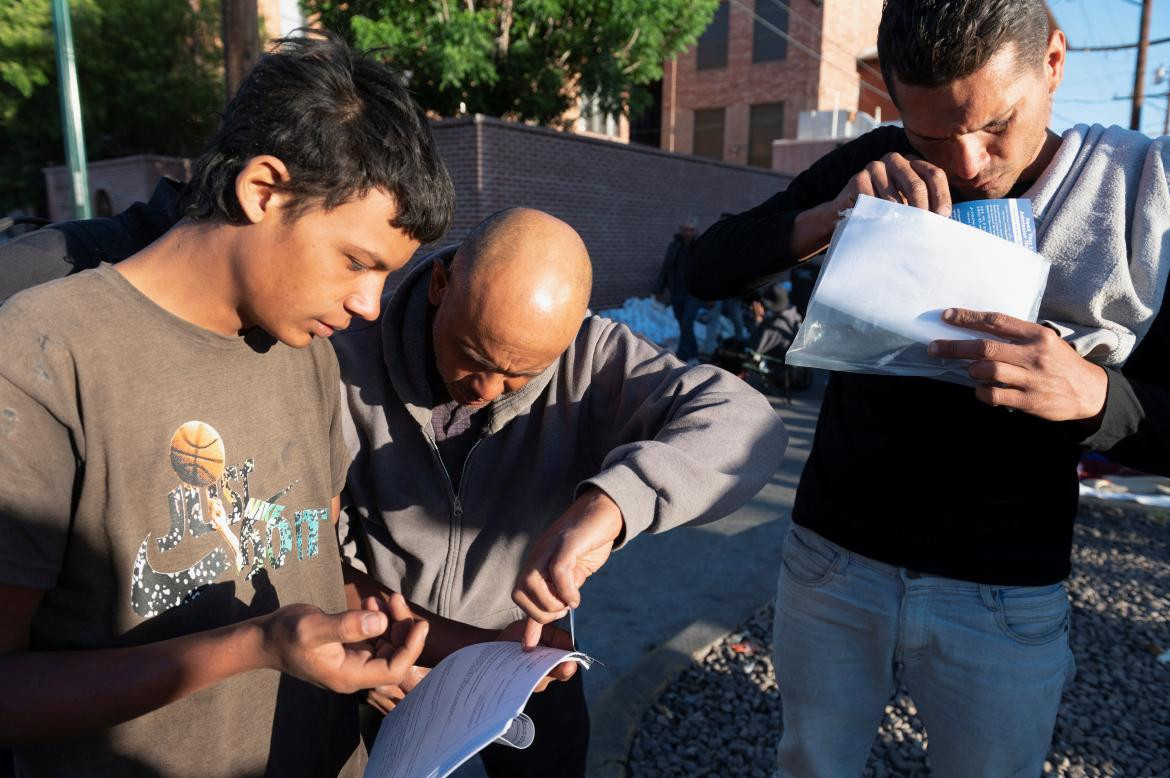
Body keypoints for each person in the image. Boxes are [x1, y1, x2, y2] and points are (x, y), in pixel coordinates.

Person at [685, 1, 1170, 776]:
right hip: (832, 562)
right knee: (810, 764)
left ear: (1053, 61)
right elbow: (705, 267)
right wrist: (827, 217)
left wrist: (1094, 395)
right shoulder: (879, 162)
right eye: (933, 134)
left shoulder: (1141, 200)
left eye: (994, 124)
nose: (968, 161)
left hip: (1002, 591)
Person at [0, 33, 456, 776]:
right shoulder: (45, 354)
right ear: (263, 190)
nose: (371, 306)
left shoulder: (307, 355)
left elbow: (307, 553)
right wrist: (255, 647)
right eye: (357, 262)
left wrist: (365, 637)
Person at [334, 206, 787, 777]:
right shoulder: (346, 353)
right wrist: (376, 643)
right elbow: (304, 544)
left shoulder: (593, 357)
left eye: (519, 375)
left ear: (572, 332)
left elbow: (747, 423)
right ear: (441, 286)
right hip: (374, 644)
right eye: (471, 356)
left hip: (525, 655)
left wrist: (615, 502)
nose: (485, 389)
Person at [656, 218, 702, 361]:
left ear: (695, 231)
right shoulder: (675, 247)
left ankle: (682, 357)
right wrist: (659, 289)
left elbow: (707, 270)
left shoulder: (699, 247)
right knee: (683, 324)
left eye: (691, 230)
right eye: (685, 229)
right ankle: (694, 354)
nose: (688, 232)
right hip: (677, 292)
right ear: (681, 231)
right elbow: (666, 267)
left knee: (687, 322)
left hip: (693, 293)